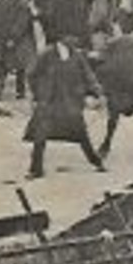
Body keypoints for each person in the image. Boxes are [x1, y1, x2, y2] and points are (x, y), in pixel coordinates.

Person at [24, 34, 106, 179]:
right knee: (40, 135)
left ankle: (96, 161)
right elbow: (31, 74)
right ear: (62, 37)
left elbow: (88, 76)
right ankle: (35, 169)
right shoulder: (47, 54)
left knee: (81, 134)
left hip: (70, 101)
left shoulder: (77, 56)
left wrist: (98, 93)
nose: (76, 40)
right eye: (72, 37)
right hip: (50, 102)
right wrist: (38, 93)